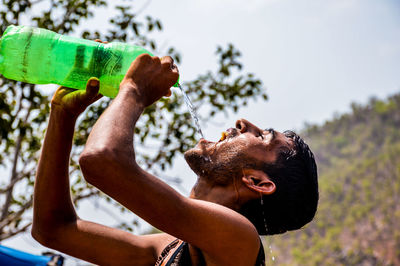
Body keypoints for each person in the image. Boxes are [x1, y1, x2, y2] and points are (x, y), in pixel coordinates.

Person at [32, 54, 318, 265]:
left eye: (264, 136)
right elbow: (54, 229)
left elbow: (101, 161)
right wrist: (63, 115)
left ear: (257, 181)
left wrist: (134, 90)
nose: (244, 123)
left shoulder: (239, 240)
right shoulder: (168, 249)